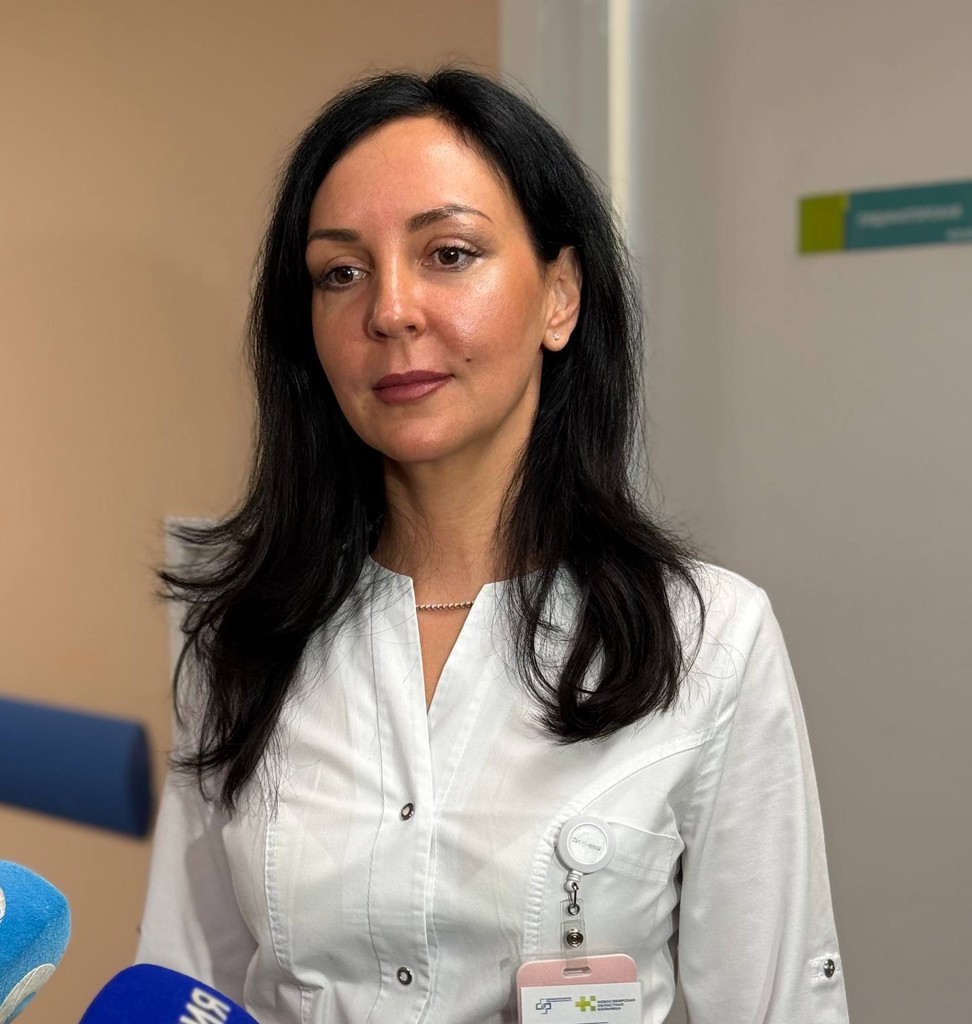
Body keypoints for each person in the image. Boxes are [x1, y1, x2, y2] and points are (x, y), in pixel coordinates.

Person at [135, 68, 849, 1024]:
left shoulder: (708, 637)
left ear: (560, 297)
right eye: (341, 272)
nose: (390, 310)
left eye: (449, 254)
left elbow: (779, 1005)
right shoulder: (243, 630)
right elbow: (187, 986)